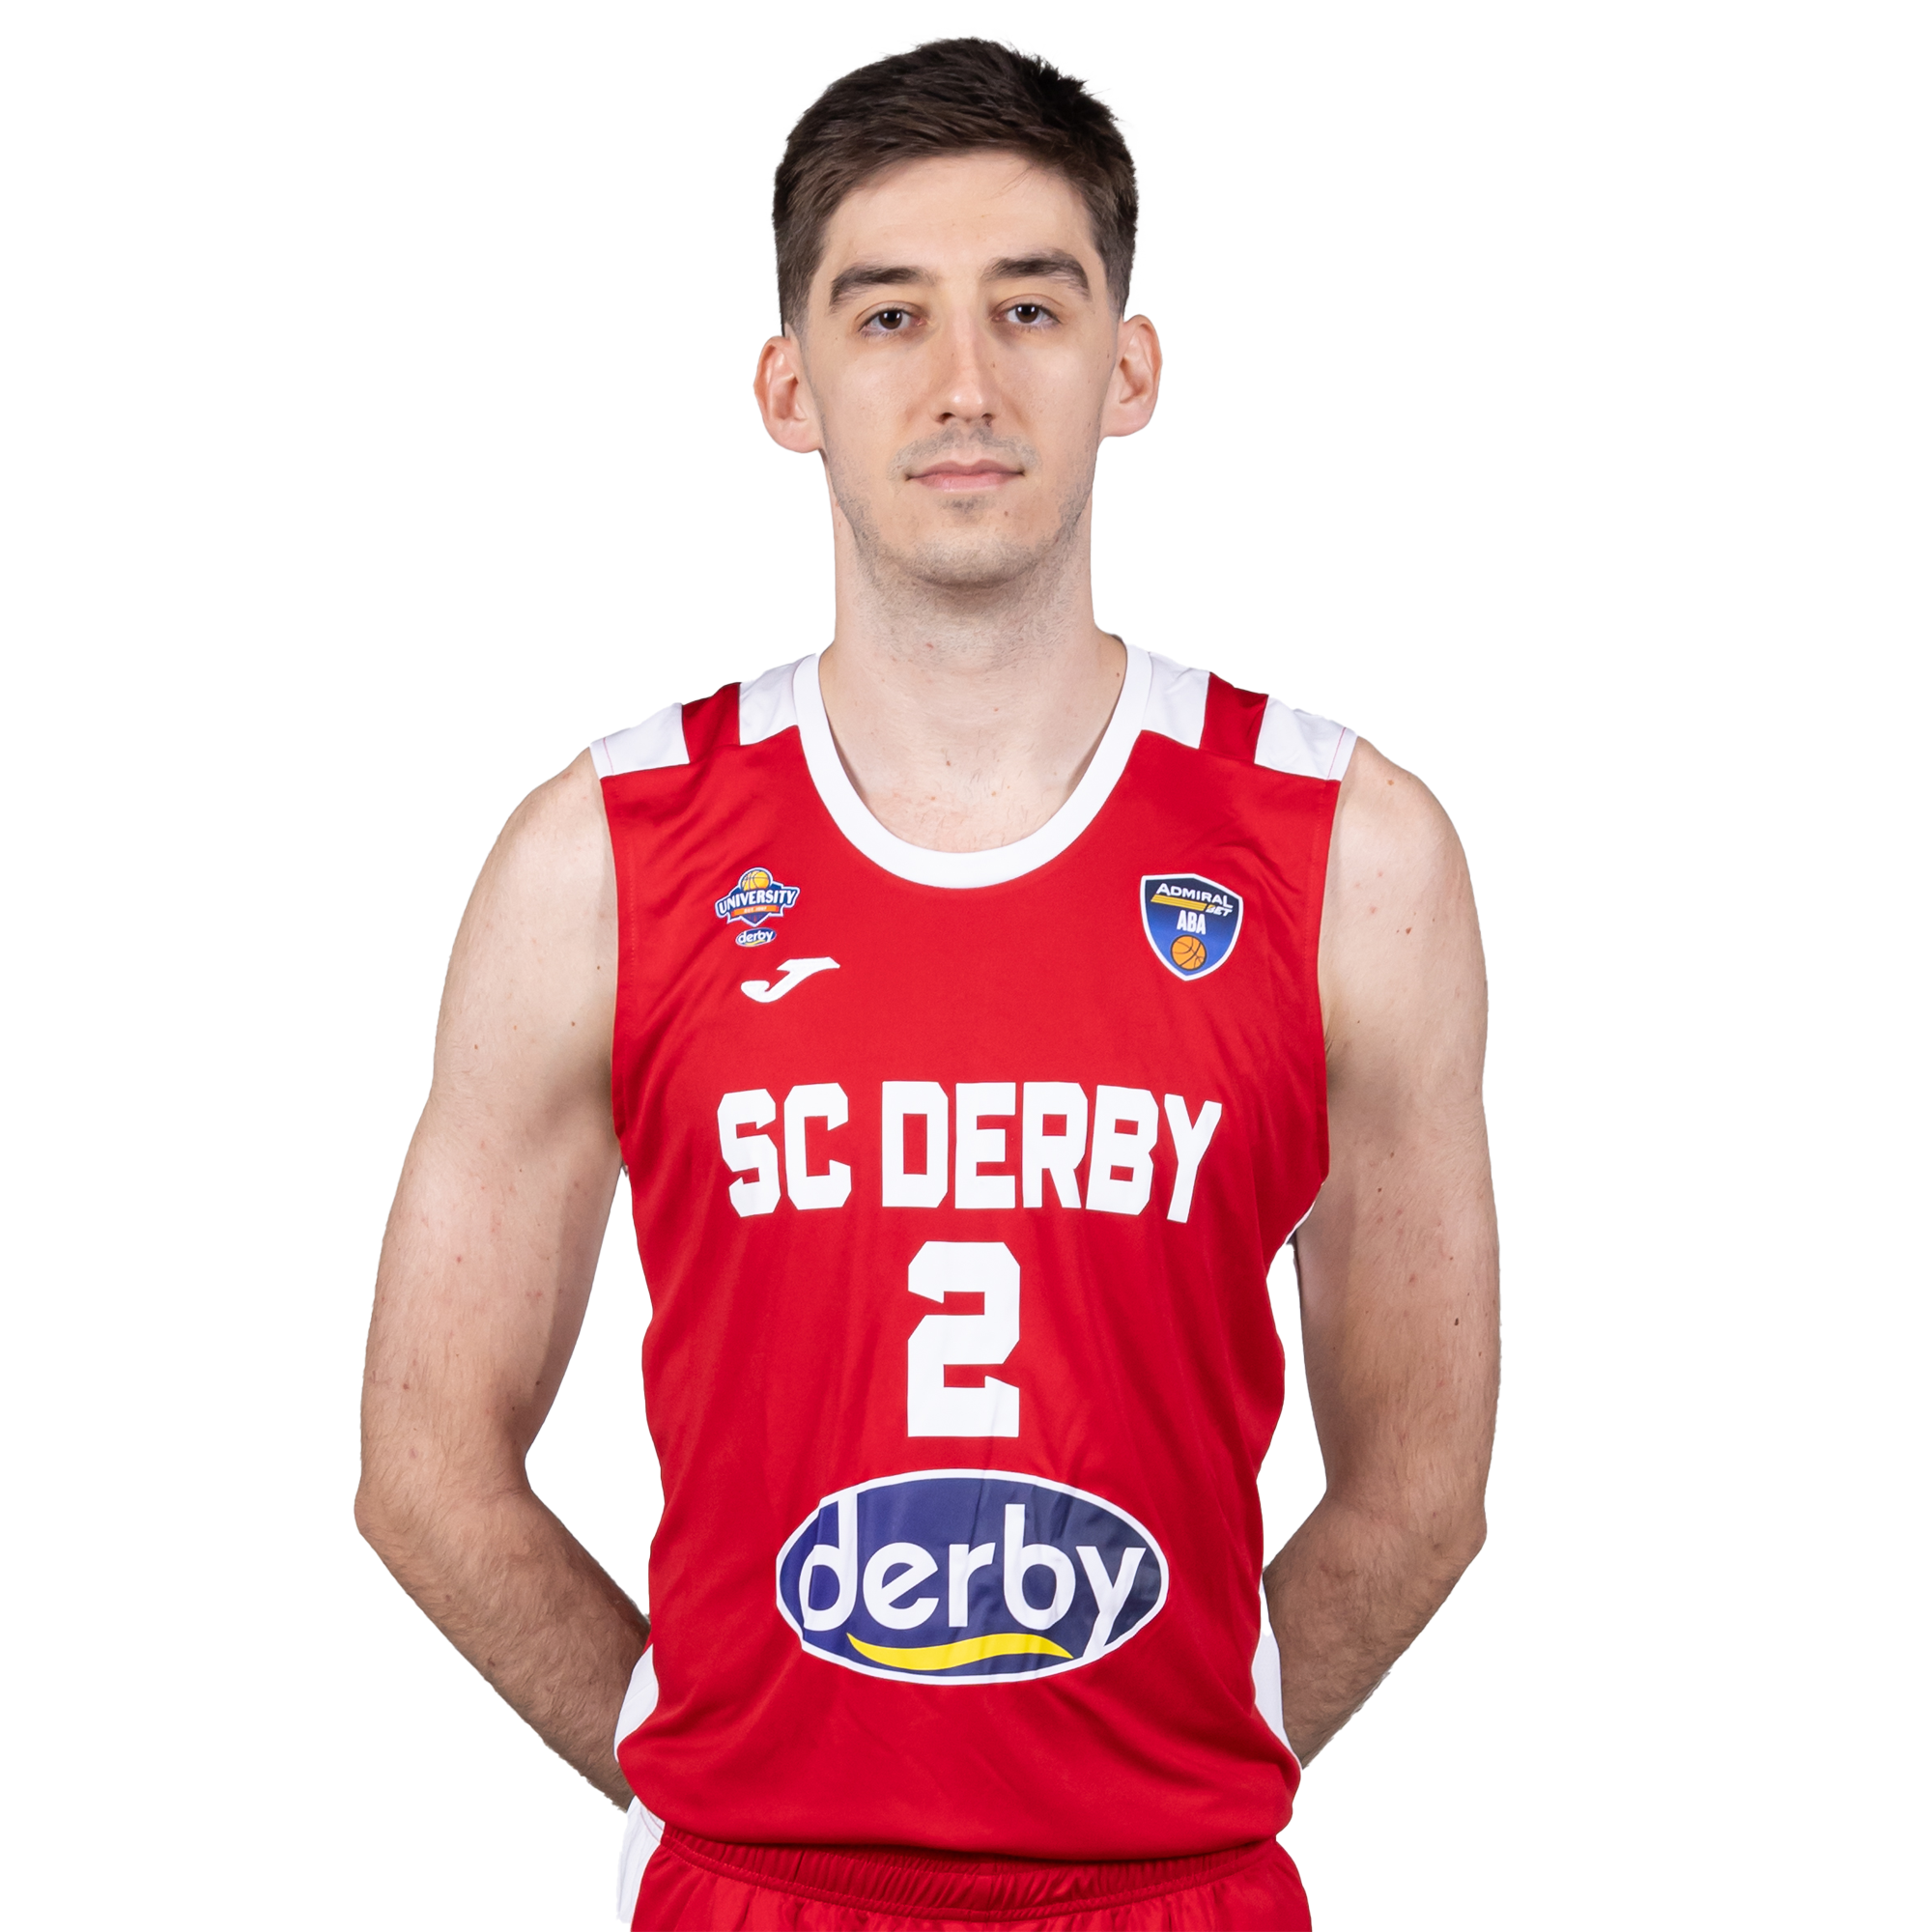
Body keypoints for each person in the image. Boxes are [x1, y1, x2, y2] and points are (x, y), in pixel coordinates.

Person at [356, 34, 1497, 1932]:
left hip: (1177, 1891)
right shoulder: (603, 859)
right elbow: (421, 1461)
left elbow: (1423, 1483)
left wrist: (1172, 1774)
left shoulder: (1348, 859)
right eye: (889, 315)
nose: (965, 381)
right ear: (787, 385)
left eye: (1029, 307)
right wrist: (702, 1762)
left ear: (1127, 365)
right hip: (751, 1888)